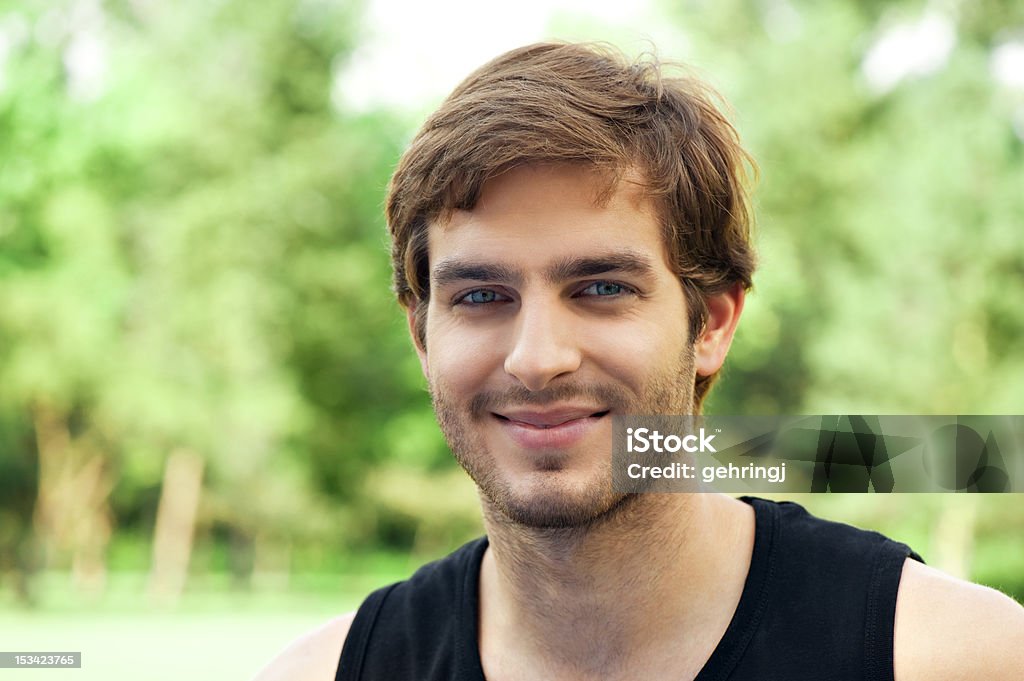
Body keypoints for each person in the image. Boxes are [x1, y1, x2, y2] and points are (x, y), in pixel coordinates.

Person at [253, 42, 1024, 681]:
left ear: (712, 322)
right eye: (482, 296)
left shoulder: (950, 654)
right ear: (422, 336)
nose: (537, 359)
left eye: (599, 287)